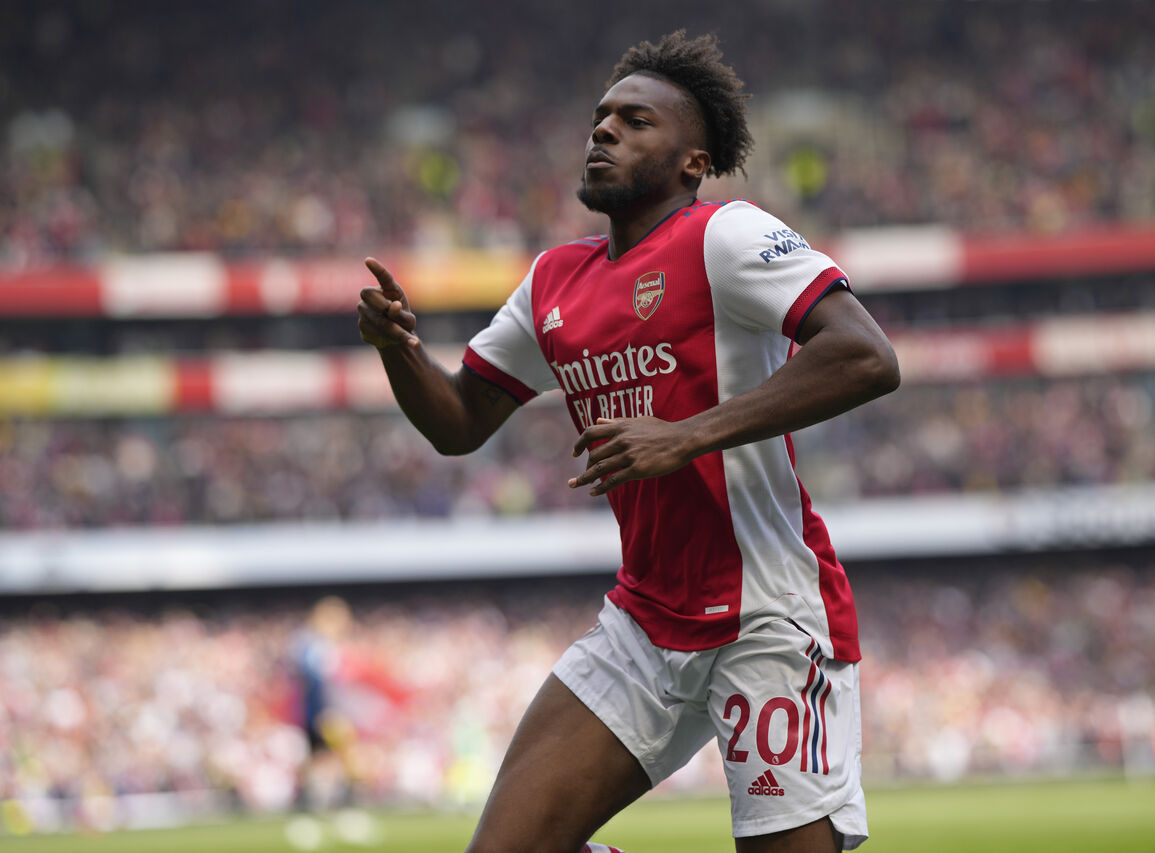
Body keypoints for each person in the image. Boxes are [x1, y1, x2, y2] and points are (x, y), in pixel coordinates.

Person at [356, 31, 899, 853]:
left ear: (692, 162)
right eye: (601, 118)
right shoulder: (553, 281)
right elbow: (459, 421)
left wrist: (688, 435)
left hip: (770, 614)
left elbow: (866, 356)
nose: (604, 129)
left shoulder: (726, 237)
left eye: (636, 121)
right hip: (646, 619)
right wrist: (399, 350)